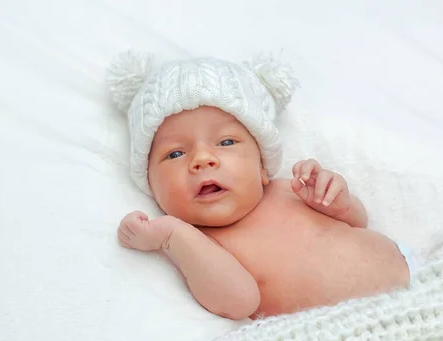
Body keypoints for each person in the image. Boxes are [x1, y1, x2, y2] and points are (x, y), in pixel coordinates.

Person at [106, 50, 418, 320]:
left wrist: (337, 201)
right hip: (352, 332)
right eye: (175, 153)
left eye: (226, 141)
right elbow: (239, 302)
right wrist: (172, 236)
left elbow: (358, 223)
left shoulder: (288, 191)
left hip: (415, 275)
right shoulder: (202, 244)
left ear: (262, 166)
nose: (202, 159)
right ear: (151, 185)